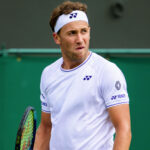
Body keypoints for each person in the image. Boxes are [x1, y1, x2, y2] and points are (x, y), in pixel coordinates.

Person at [33, 1, 132, 150]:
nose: (80, 39)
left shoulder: (107, 71)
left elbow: (124, 129)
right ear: (57, 38)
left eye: (84, 31)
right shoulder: (48, 74)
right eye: (72, 33)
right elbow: (46, 128)